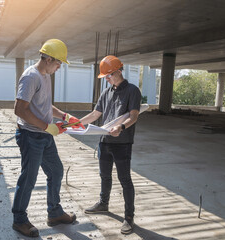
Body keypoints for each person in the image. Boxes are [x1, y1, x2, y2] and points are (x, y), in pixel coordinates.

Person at [12, 39, 85, 238]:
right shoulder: (31, 77)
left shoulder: (45, 76)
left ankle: (54, 213)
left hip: (44, 136)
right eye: (58, 63)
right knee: (29, 178)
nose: (60, 67)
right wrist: (46, 126)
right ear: (48, 58)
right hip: (30, 135)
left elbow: (44, 105)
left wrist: (64, 116)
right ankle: (19, 219)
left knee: (56, 171)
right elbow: (20, 109)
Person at [80, 55, 141, 234]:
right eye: (105, 77)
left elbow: (134, 116)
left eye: (108, 76)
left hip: (122, 143)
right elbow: (95, 114)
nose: (106, 79)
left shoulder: (132, 91)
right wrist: (75, 123)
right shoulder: (106, 92)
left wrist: (121, 127)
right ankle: (103, 203)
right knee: (104, 176)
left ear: (119, 71)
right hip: (104, 141)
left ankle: (129, 217)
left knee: (125, 180)